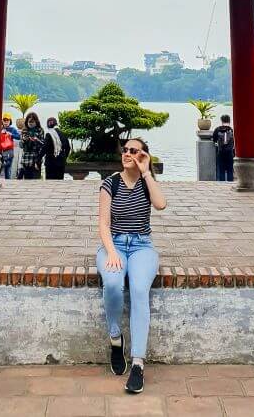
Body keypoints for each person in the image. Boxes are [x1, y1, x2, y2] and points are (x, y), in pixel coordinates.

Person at [97, 138, 167, 395]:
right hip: (113, 244)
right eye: (125, 150)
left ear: (143, 155)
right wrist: (112, 252)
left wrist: (147, 172)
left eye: (134, 151)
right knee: (113, 283)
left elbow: (161, 205)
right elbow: (103, 224)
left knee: (139, 291)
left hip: (142, 246)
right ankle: (116, 338)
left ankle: (138, 363)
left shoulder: (147, 183)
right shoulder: (110, 183)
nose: (127, 154)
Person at [19, 112, 44, 179]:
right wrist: (24, 140)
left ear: (36, 121)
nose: (30, 123)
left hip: (36, 158)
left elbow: (42, 145)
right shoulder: (24, 130)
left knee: (36, 178)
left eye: (32, 122)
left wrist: (37, 140)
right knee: (27, 179)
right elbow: (21, 146)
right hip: (26, 158)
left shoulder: (40, 130)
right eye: (29, 121)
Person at [212, 114, 235, 182]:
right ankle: (230, 183)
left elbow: (214, 140)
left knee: (221, 169)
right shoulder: (232, 130)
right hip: (230, 152)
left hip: (221, 152)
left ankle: (222, 184)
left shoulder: (217, 130)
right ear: (229, 121)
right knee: (230, 170)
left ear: (222, 121)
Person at [0, 114, 21, 180]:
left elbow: (19, 137)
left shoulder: (12, 129)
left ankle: (8, 182)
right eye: (4, 120)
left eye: (7, 120)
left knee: (7, 168)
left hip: (8, 151)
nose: (5, 122)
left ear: (10, 121)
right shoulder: (0, 129)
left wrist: (11, 134)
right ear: (2, 121)